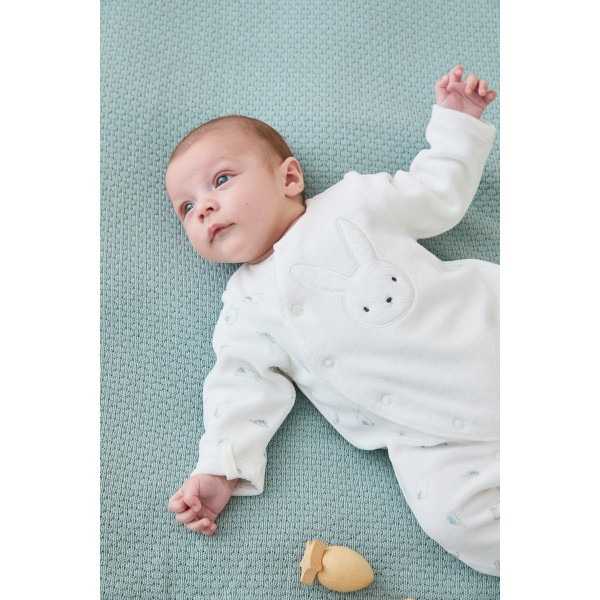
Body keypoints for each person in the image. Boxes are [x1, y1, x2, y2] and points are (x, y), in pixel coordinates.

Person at [166, 66, 500, 576]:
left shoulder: (355, 202)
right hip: (433, 439)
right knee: (453, 518)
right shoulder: (245, 306)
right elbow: (240, 385)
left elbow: (435, 194)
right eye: (187, 207)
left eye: (221, 180)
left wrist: (457, 124)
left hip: (489, 337)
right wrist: (220, 468)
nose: (204, 207)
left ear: (289, 179)